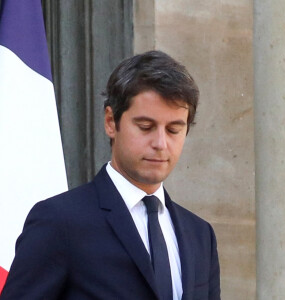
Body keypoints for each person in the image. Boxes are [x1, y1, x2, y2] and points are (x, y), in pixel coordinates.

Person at [0, 50, 220, 300]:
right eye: (145, 127)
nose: (160, 143)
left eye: (173, 130)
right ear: (110, 122)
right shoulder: (59, 221)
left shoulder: (201, 236)